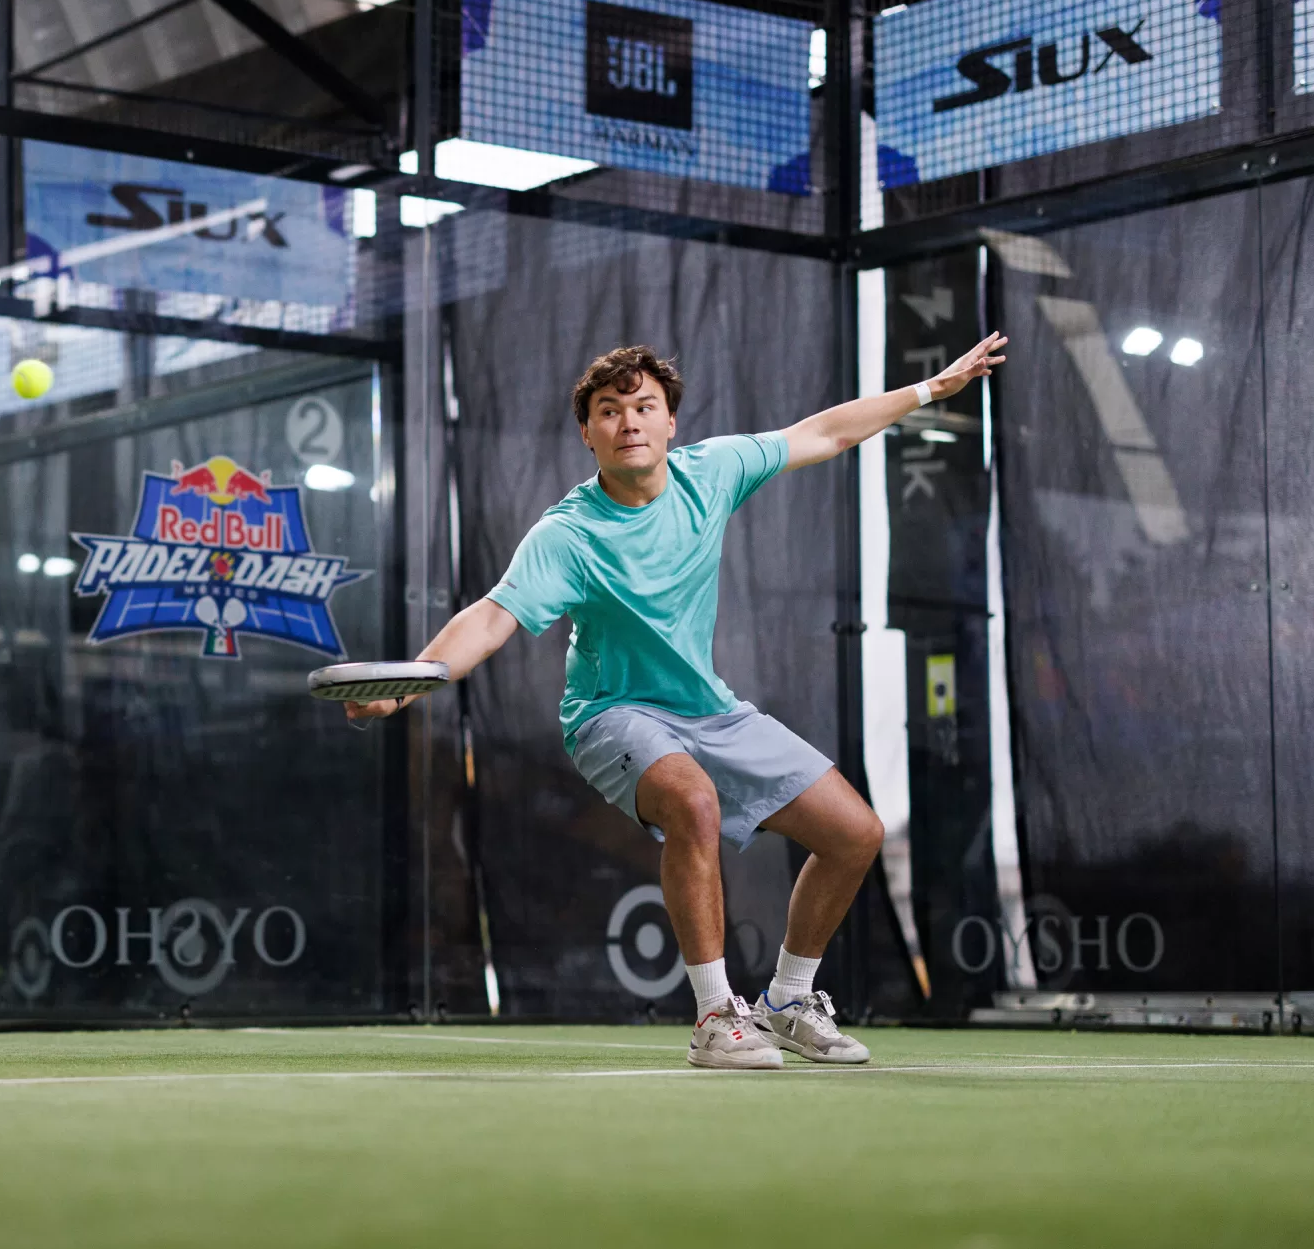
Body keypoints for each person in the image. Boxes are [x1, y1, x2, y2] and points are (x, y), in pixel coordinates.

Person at [345, 336, 1006, 1068]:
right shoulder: (568, 534)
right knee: (694, 804)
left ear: (669, 425)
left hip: (708, 707)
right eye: (609, 410)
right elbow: (493, 616)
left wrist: (927, 391)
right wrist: (413, 678)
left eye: (643, 406)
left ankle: (787, 1001)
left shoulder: (712, 473)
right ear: (588, 432)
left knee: (855, 833)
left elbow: (824, 430)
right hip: (610, 713)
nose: (628, 421)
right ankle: (717, 1017)